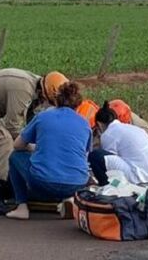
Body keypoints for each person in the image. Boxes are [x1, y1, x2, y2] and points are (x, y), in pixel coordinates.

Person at [0, 68, 69, 215]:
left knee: (13, 142)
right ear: (44, 94)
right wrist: (31, 147)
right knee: (3, 141)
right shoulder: (24, 89)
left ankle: (4, 186)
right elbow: (12, 125)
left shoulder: (36, 88)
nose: (49, 106)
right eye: (50, 103)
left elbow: (28, 123)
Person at [5, 82, 91, 220]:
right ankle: (68, 198)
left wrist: (34, 148)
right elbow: (84, 154)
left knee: (15, 156)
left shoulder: (43, 117)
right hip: (77, 183)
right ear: (78, 103)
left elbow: (17, 145)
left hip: (43, 181)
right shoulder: (84, 123)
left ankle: (21, 206)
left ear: (56, 100)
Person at [89, 101, 148, 195]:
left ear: (99, 124)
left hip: (142, 180)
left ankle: (108, 192)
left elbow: (109, 169)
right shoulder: (135, 128)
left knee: (95, 156)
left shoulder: (108, 133)